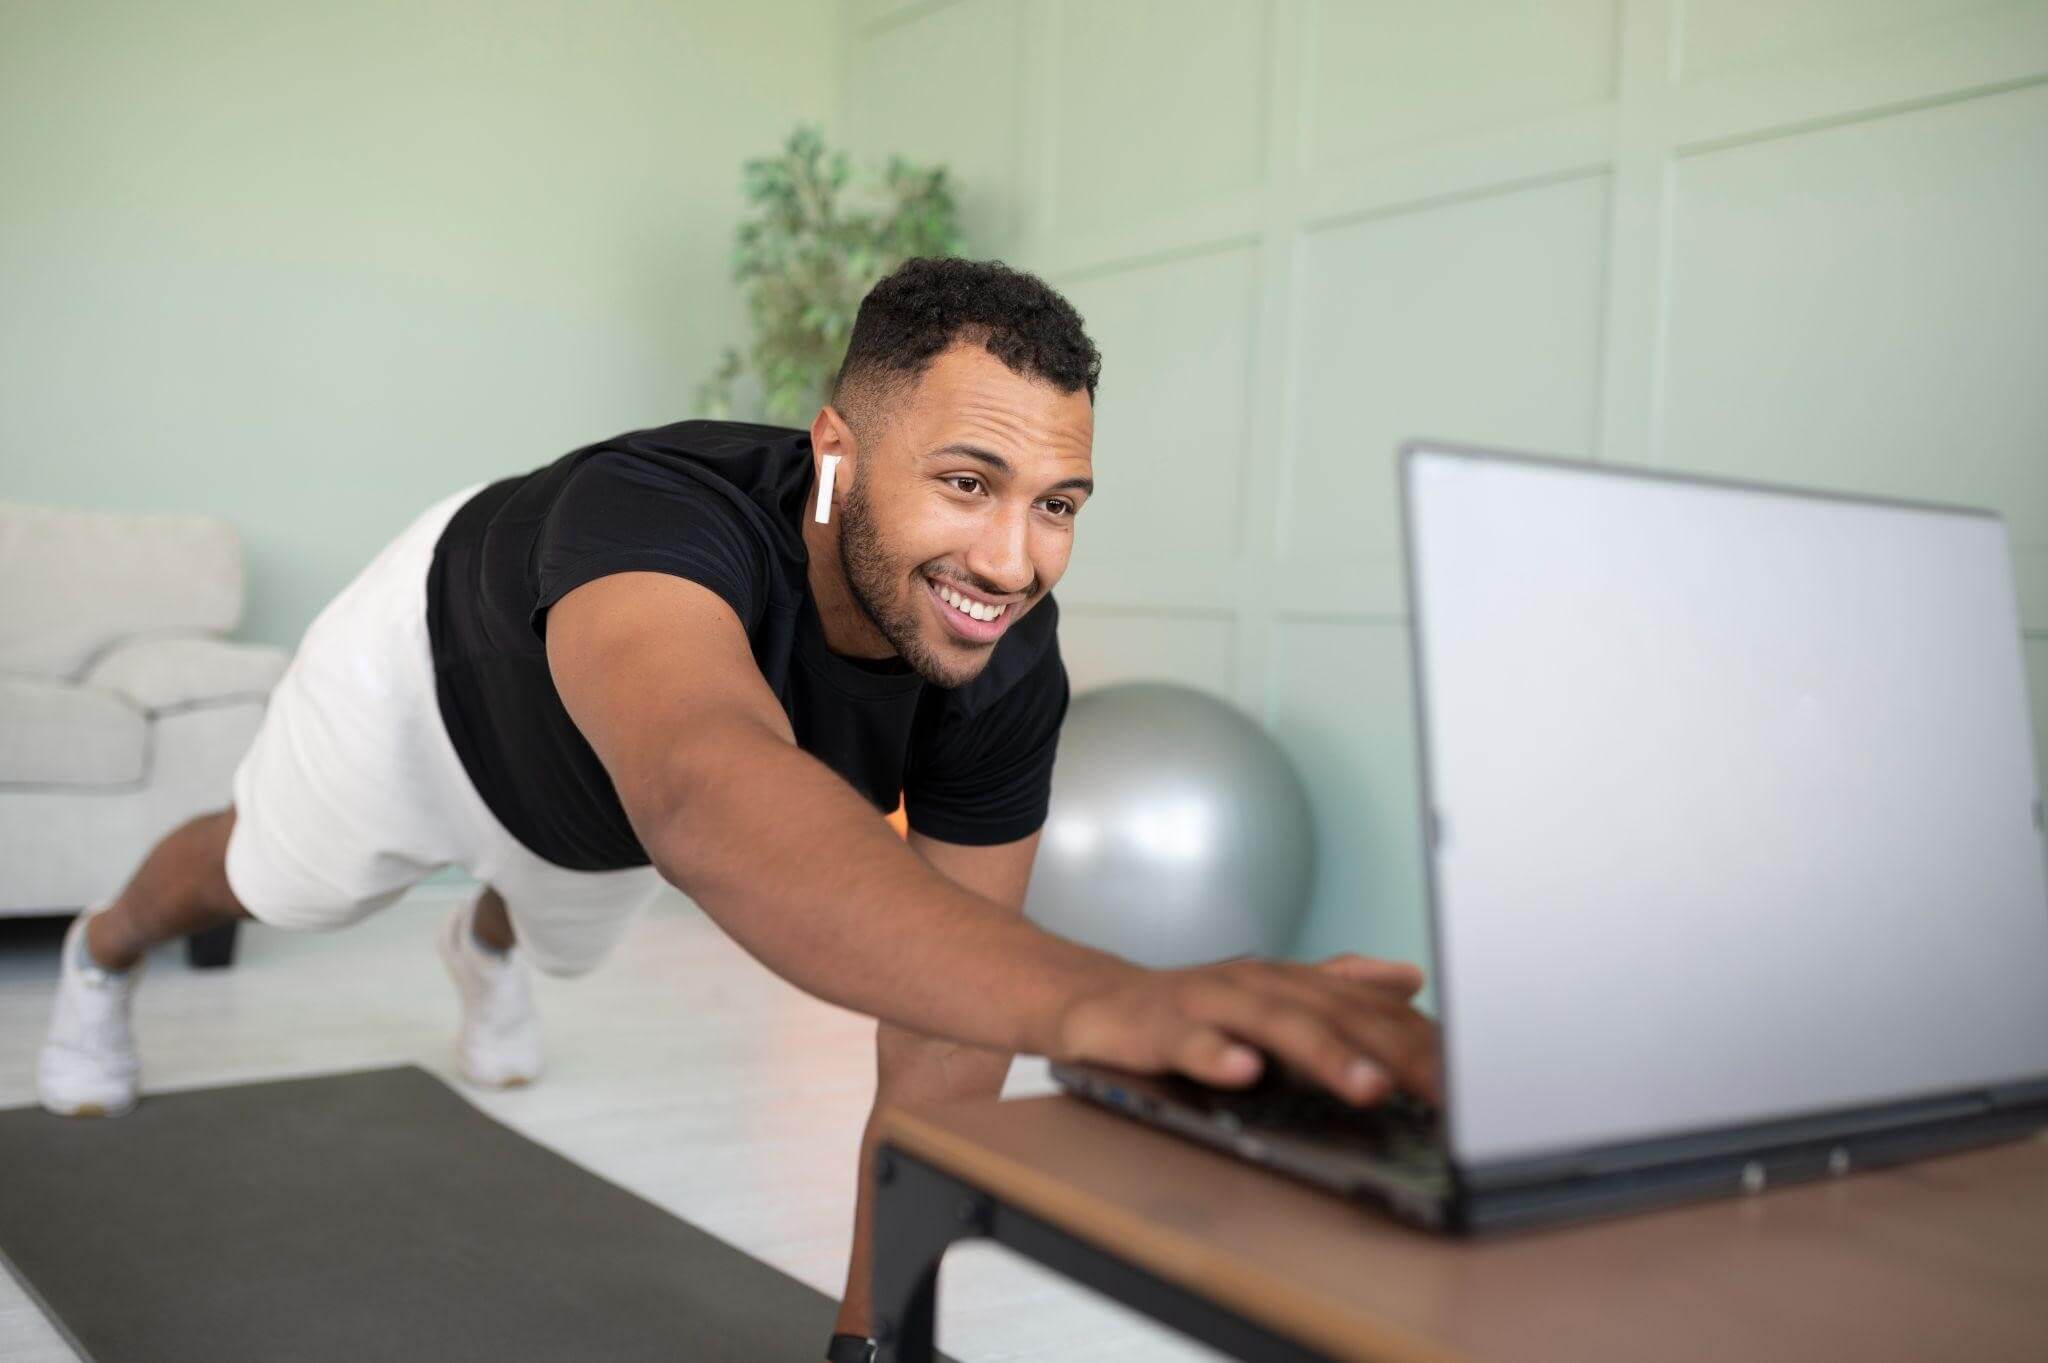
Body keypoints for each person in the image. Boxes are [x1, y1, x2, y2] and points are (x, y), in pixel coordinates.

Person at [36, 256, 1441, 1361]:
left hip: (592, 812)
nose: (1014, 563)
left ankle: (493, 936)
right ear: (837, 451)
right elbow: (703, 788)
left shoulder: (1006, 666)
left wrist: (870, 1342)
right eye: (967, 484)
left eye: (1057, 503)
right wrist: (1102, 1000)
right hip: (430, 688)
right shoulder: (652, 512)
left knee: (563, 923)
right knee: (281, 880)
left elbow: (944, 1030)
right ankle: (104, 951)